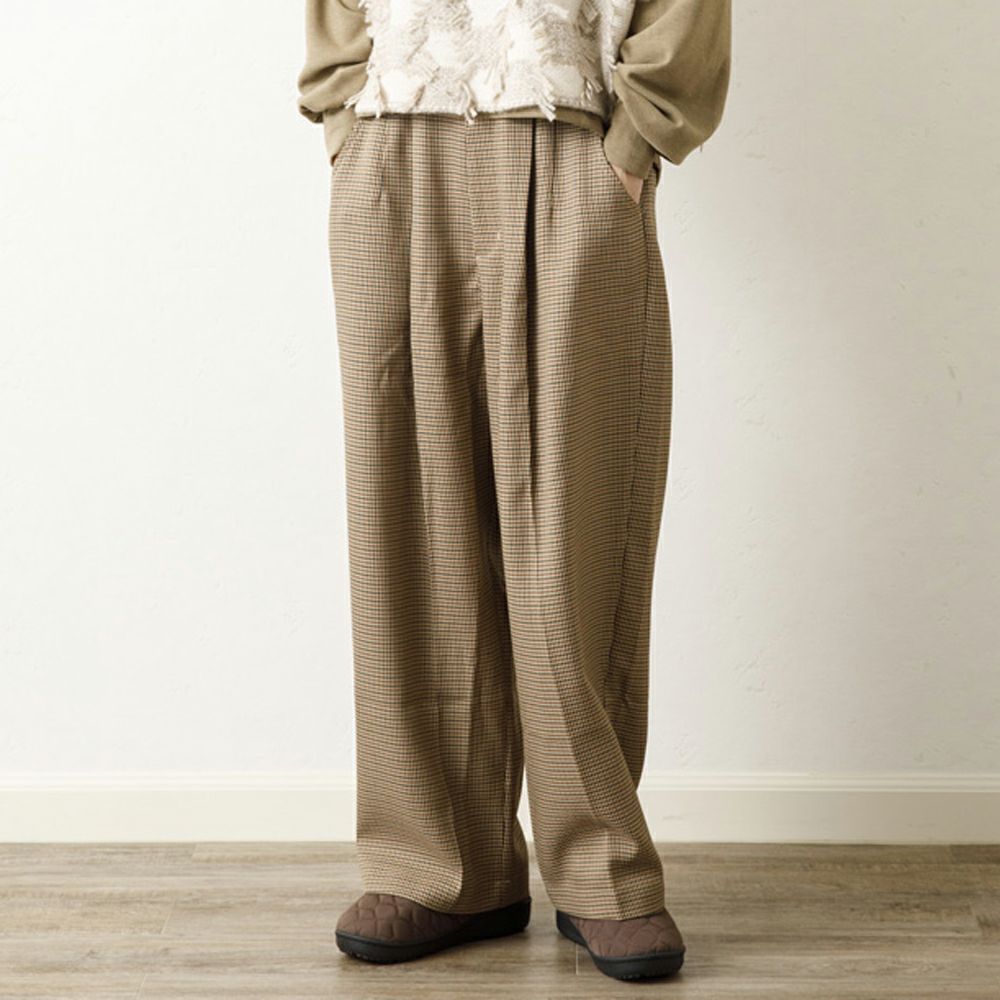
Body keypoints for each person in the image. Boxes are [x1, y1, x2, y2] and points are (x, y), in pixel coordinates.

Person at [297, 0, 731, 981]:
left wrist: (637, 138)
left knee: (576, 521)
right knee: (407, 522)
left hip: (571, 134)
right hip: (393, 131)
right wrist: (343, 113)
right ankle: (437, 863)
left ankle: (601, 867)